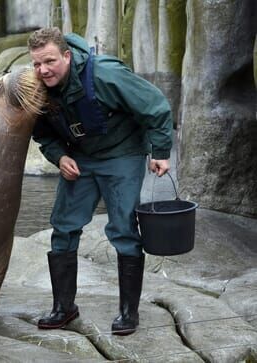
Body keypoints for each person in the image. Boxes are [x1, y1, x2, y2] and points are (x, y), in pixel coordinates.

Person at [27, 27, 173, 335]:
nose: (43, 70)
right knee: (64, 226)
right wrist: (59, 157)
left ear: (66, 55)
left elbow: (155, 105)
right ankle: (63, 308)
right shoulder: (39, 87)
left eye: (50, 61)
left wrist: (160, 150)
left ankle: (128, 313)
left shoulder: (104, 74)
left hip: (122, 153)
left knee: (122, 227)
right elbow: (41, 133)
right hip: (81, 158)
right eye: (37, 64)